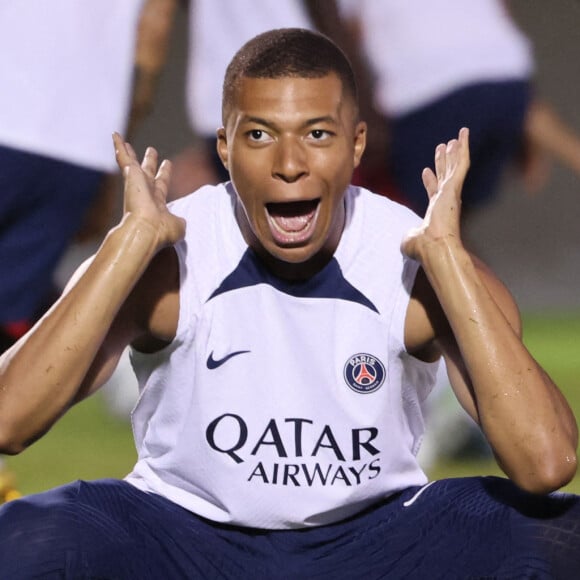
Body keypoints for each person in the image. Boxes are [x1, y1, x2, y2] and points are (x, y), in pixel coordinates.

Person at [0, 28, 578, 578]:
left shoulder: (414, 257)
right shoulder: (170, 250)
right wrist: (126, 245)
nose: (289, 163)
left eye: (317, 134)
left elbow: (546, 464)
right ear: (224, 148)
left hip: (379, 540)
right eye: (259, 134)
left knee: (558, 534)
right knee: (29, 535)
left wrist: (448, 257)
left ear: (356, 145)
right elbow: (9, 420)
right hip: (184, 536)